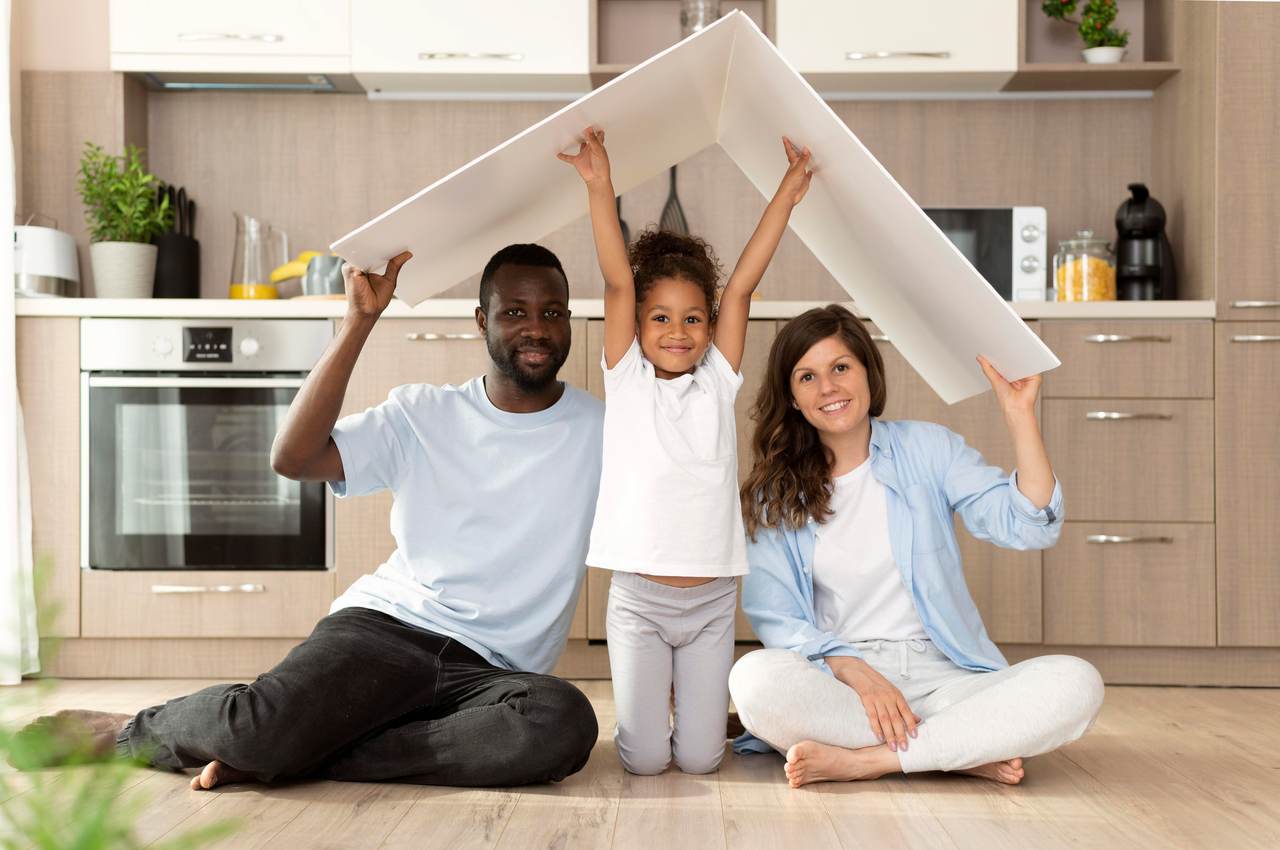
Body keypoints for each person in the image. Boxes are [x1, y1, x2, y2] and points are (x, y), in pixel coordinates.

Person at [19, 244, 605, 789]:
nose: (536, 328)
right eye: (515, 312)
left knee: (562, 723)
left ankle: (306, 752)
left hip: (495, 676)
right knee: (258, 729)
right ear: (482, 320)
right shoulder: (422, 413)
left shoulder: (602, 430)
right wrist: (359, 322)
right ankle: (131, 731)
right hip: (388, 633)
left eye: (553, 312)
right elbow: (294, 458)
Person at [728, 304, 1104, 787]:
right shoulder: (772, 493)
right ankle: (957, 749)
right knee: (754, 680)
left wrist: (1019, 416)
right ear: (794, 398)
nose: (828, 388)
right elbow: (777, 617)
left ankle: (870, 760)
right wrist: (858, 673)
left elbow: (1029, 525)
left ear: (868, 372)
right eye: (807, 377)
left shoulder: (928, 449)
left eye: (841, 367)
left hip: (947, 676)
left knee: (1076, 682)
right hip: (842, 681)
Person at [557, 128, 812, 775]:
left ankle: (701, 711)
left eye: (693, 318)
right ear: (639, 326)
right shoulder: (628, 379)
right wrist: (599, 187)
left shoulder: (717, 382)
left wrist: (786, 195)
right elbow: (618, 282)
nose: (678, 331)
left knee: (701, 761)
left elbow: (744, 287)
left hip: (708, 603)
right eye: (661, 317)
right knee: (643, 762)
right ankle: (657, 706)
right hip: (640, 599)